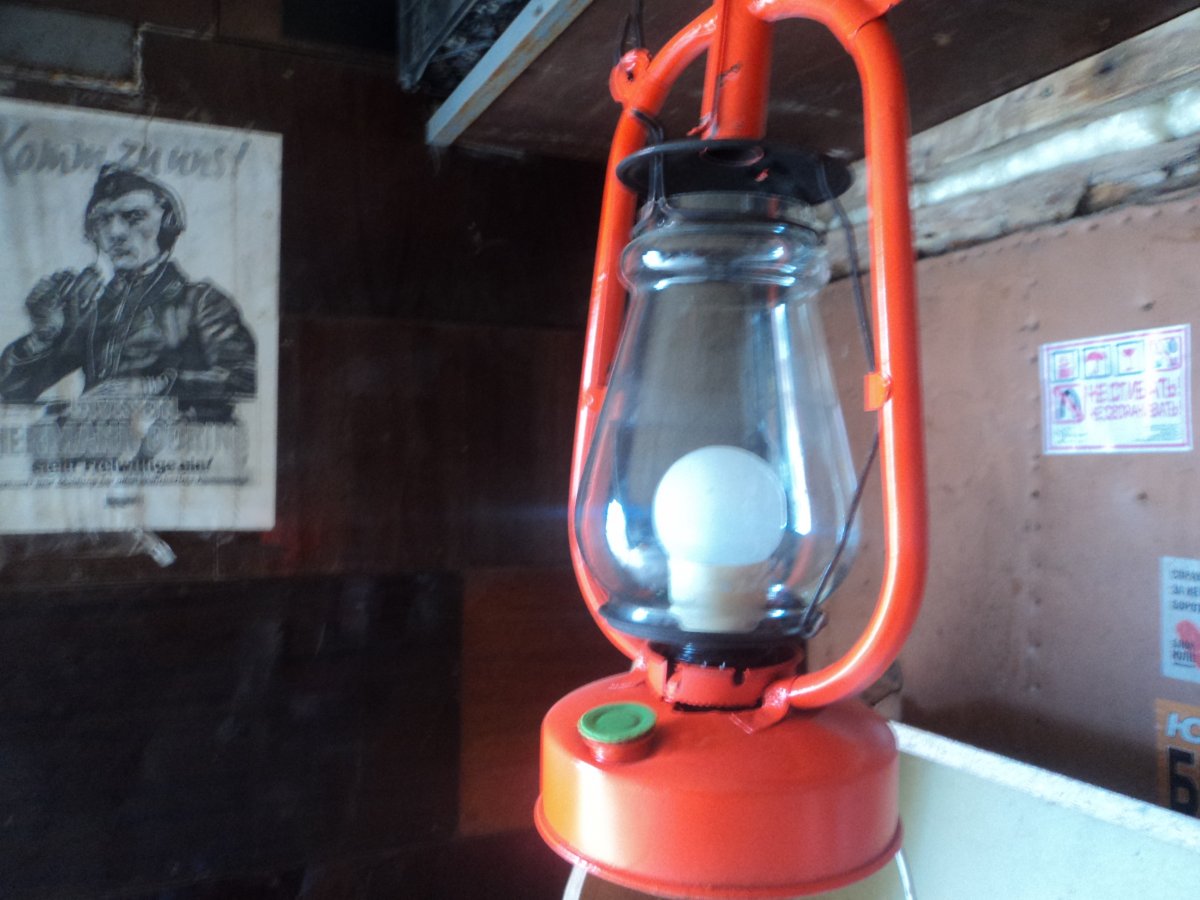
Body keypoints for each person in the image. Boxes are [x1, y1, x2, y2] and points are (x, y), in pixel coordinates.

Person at [0, 165, 256, 420]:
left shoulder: (200, 301)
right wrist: (43, 335)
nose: (115, 233)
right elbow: (9, 389)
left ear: (167, 224)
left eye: (134, 217)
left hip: (179, 442)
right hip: (93, 442)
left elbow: (244, 378)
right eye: (102, 220)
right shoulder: (94, 310)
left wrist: (153, 387)